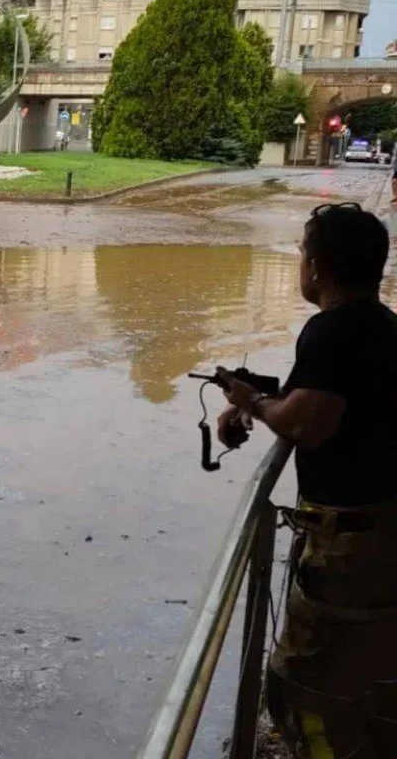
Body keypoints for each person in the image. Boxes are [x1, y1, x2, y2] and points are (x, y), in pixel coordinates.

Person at [215, 202, 397, 758]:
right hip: (385, 531)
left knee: (301, 688)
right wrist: (257, 403)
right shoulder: (382, 325)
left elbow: (305, 423)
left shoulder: (330, 332)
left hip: (349, 548)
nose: (300, 263)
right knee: (377, 679)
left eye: (300, 253)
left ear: (316, 267)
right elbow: (309, 400)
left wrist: (252, 402)